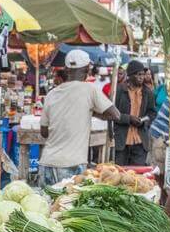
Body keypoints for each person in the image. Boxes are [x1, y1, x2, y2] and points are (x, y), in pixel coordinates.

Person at [39, 50, 120, 187]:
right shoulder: (89, 90)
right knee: (68, 207)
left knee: (46, 207)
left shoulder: (52, 94)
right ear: (87, 69)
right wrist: (92, 113)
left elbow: (44, 132)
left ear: (66, 70)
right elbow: (115, 115)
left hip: (46, 162)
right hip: (72, 165)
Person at [113, 61, 158, 166]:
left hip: (140, 141)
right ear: (130, 76)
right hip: (121, 141)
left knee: (138, 175)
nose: (141, 77)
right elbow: (112, 114)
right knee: (121, 173)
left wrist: (144, 122)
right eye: (138, 74)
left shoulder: (148, 93)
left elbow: (152, 113)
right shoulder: (119, 90)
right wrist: (129, 119)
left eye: (142, 74)